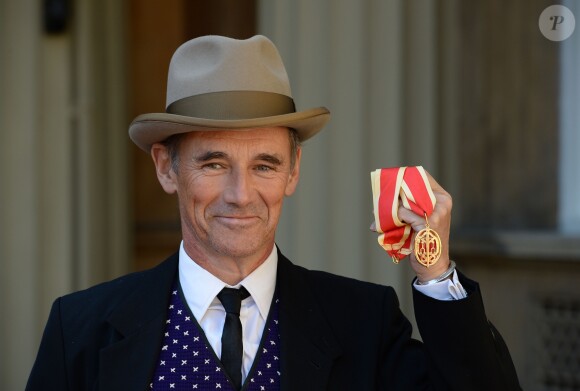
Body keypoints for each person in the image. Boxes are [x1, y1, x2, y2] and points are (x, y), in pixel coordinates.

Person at [26, 35, 521, 391]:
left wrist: (435, 273)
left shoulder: (363, 322)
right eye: (215, 163)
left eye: (264, 165)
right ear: (166, 168)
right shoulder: (82, 330)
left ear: (293, 171)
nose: (241, 194)